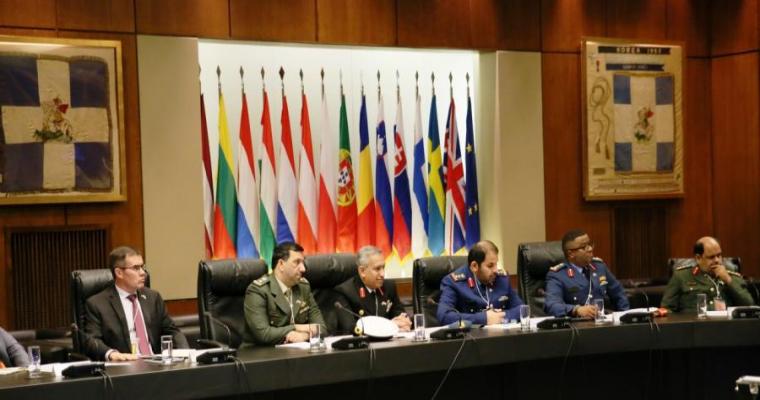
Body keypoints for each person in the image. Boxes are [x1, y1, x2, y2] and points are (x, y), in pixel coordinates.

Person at [84, 246, 188, 361]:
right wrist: (112, 354)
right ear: (119, 273)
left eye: (142, 267)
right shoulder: (97, 304)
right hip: (125, 365)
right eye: (136, 268)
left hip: (156, 363)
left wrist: (186, 353)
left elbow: (172, 331)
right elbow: (92, 341)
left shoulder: (153, 297)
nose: (143, 273)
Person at [243, 242, 327, 345]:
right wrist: (295, 327)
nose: (303, 268)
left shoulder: (303, 287)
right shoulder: (258, 290)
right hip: (260, 351)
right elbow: (264, 334)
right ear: (281, 264)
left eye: (303, 262)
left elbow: (321, 328)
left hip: (296, 351)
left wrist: (304, 336)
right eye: (297, 262)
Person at [544, 230, 630, 318]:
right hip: (576, 324)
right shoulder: (558, 275)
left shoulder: (599, 267)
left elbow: (619, 294)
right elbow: (552, 305)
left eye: (590, 244)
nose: (590, 249)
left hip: (602, 320)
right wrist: (576, 310)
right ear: (571, 253)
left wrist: (624, 317)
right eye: (584, 247)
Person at [437, 240, 524, 326]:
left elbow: (522, 309)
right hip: (471, 334)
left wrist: (500, 316)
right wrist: (484, 318)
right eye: (490, 266)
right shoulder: (454, 283)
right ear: (474, 266)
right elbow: (444, 316)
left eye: (496, 264)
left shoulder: (501, 279)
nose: (495, 270)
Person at [660, 236, 755, 313]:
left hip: (726, 326)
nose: (717, 260)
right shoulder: (681, 276)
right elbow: (667, 309)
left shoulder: (730, 275)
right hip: (694, 328)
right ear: (698, 258)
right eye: (711, 257)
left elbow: (749, 305)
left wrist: (728, 280)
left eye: (719, 255)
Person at [335, 246, 412, 334]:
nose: (382, 274)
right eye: (377, 269)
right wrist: (389, 325)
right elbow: (351, 328)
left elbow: (401, 316)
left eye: (383, 267)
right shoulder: (345, 291)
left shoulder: (389, 287)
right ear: (362, 271)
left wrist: (404, 323)